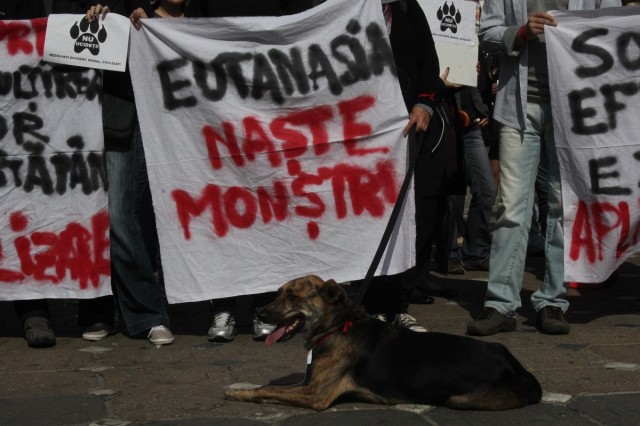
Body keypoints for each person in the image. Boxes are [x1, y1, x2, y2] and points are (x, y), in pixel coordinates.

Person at [466, 0, 621, 336]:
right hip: (519, 108)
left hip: (577, 111)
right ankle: (500, 304)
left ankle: (553, 299)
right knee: (510, 206)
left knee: (561, 205)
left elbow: (612, 29)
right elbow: (487, 34)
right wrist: (520, 32)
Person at [183, 0, 321, 343]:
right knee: (223, 214)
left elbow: (309, 22)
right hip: (218, 116)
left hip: (270, 114)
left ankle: (264, 306)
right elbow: (187, 34)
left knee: (268, 215)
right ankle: (225, 307)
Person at [86, 1, 174, 345]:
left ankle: (146, 311)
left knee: (124, 215)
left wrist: (142, 20)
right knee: (87, 215)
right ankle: (98, 309)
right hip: (67, 114)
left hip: (120, 110)